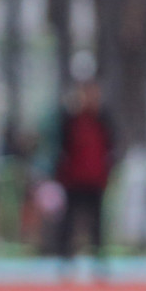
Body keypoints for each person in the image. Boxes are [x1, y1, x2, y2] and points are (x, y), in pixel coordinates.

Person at [50, 79, 116, 279]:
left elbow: (111, 148)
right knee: (70, 222)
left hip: (95, 179)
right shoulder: (71, 121)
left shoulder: (104, 120)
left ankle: (99, 260)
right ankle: (66, 260)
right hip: (74, 179)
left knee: (97, 222)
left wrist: (108, 172)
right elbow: (63, 149)